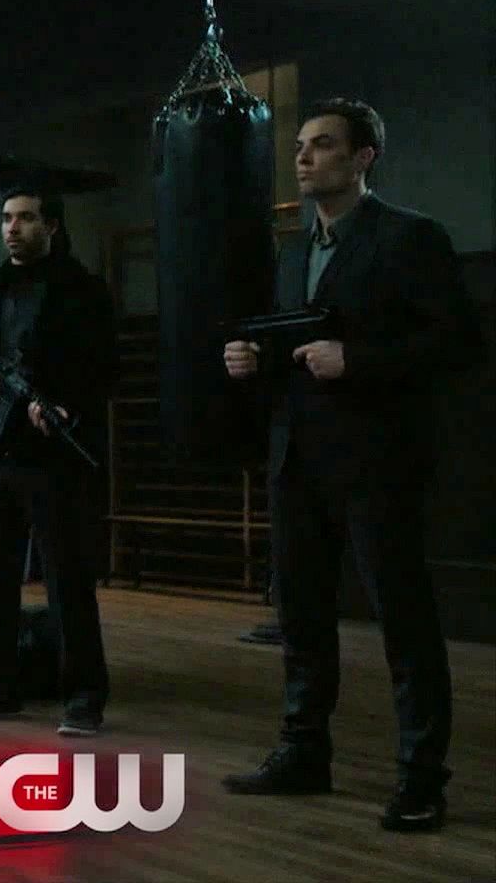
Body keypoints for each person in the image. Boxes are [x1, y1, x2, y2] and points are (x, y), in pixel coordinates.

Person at [222, 98, 481, 832]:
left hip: (377, 464)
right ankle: (304, 753)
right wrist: (252, 360)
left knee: (404, 624)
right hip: (298, 461)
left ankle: (421, 779)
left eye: (322, 145)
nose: (303, 158)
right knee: (302, 620)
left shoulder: (410, 237)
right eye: (300, 146)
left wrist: (358, 360)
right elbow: (295, 348)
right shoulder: (293, 252)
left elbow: (458, 343)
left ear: (363, 157)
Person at [0, 187, 117, 735]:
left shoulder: (83, 291)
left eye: (25, 218)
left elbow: (101, 368)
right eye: (6, 218)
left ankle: (84, 696)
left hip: (51, 459)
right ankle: (0, 686)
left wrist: (65, 409)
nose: (12, 229)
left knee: (68, 580)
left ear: (53, 226)